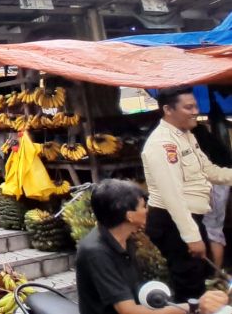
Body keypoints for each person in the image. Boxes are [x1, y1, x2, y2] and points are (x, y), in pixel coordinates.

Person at [75, 179, 229, 314]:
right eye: (143, 206)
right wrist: (194, 306)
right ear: (130, 216)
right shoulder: (96, 252)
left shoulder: (125, 237)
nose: (147, 211)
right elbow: (128, 310)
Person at [142, 87, 232, 301]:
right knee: (189, 284)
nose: (195, 111)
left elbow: (208, 170)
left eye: (195, 106)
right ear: (168, 110)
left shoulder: (186, 136)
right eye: (188, 107)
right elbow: (173, 197)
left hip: (188, 218)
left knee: (196, 277)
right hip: (172, 221)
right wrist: (191, 237)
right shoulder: (163, 145)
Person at [193, 122, 232, 268]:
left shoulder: (196, 148)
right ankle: (217, 274)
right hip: (221, 187)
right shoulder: (216, 146)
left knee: (208, 231)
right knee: (215, 230)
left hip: (209, 187)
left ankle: (214, 273)